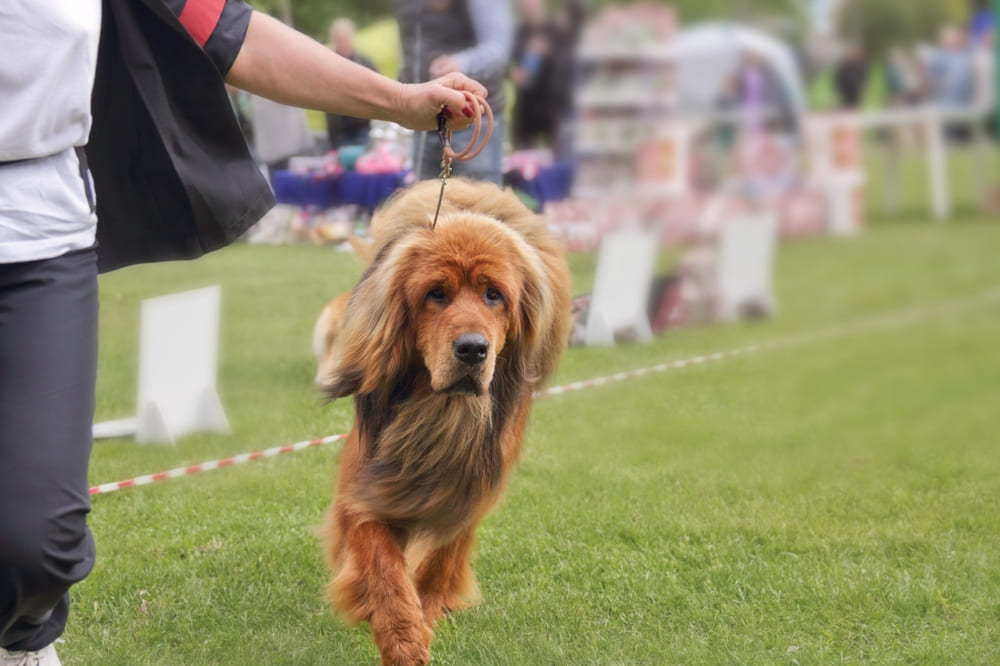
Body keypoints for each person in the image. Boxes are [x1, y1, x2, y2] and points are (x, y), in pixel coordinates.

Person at [0, 2, 486, 664]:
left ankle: (24, 640)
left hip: (36, 233)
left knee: (37, 548)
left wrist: (399, 101)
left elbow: (230, 33)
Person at [394, 0, 514, 185]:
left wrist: (459, 64)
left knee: (476, 199)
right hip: (422, 120)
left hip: (472, 122)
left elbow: (498, 48)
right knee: (425, 199)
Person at [325, 18, 380, 149]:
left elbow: (378, 89)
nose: (342, 42)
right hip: (339, 131)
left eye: (344, 38)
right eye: (339, 39)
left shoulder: (365, 62)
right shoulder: (327, 65)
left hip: (364, 127)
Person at [833, 43, 869, 110]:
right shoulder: (844, 65)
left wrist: (864, 86)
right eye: (853, 53)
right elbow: (838, 77)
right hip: (845, 90)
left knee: (855, 107)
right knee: (846, 107)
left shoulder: (862, 65)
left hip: (856, 91)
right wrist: (837, 88)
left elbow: (864, 77)